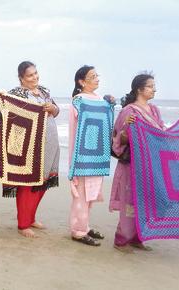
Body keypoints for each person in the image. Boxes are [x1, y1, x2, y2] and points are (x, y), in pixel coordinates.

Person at [0, 61, 60, 238]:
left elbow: (56, 111)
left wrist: (53, 108)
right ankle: (23, 224)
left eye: (35, 73)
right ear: (21, 78)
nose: (35, 77)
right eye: (30, 75)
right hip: (30, 147)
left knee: (42, 183)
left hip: (50, 144)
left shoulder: (44, 91)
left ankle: (31, 217)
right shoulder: (16, 94)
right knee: (28, 184)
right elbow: (4, 115)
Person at [110, 73, 162, 252]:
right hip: (131, 164)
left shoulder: (154, 110)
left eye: (154, 86)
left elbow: (159, 134)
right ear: (139, 89)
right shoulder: (129, 111)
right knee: (129, 202)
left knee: (144, 201)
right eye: (150, 86)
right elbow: (118, 139)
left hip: (149, 164)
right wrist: (129, 127)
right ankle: (121, 240)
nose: (154, 89)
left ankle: (137, 238)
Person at [68, 65, 113, 246]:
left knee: (91, 194)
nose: (97, 79)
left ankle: (85, 226)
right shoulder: (78, 101)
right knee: (81, 195)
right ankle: (77, 231)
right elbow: (74, 130)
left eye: (97, 75)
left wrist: (111, 104)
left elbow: (108, 119)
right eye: (92, 76)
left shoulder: (100, 99)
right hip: (83, 155)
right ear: (81, 81)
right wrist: (73, 160)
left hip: (97, 154)